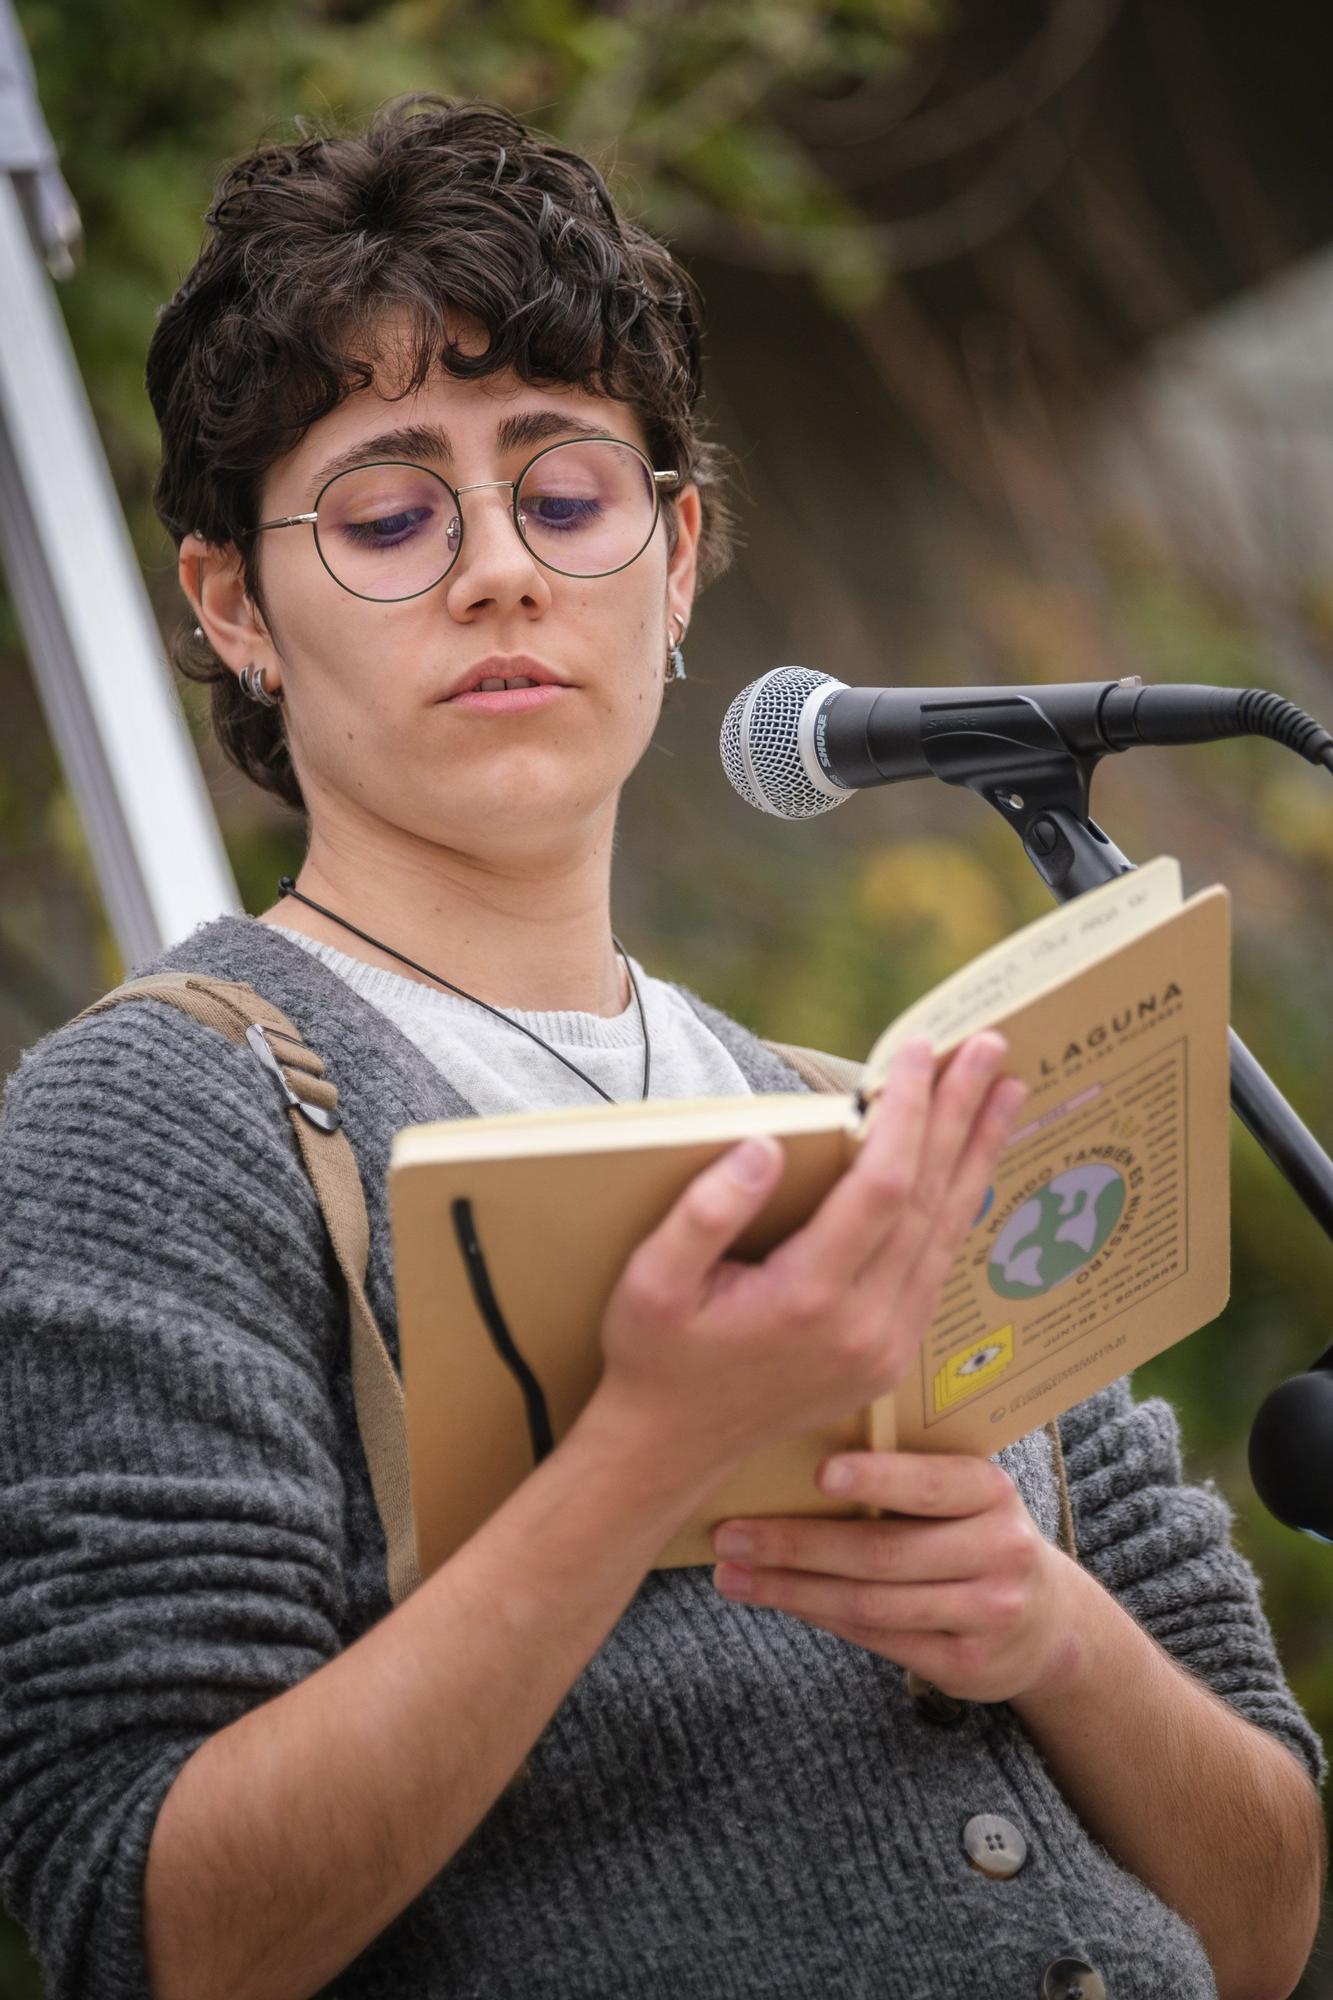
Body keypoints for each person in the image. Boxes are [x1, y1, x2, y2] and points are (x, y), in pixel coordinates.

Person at [0, 94, 1323, 2000]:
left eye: (566, 493)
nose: (498, 571)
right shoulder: (165, 1110)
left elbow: (1269, 1920)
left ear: (679, 556)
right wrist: (639, 1461)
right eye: (386, 512)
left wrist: (1040, 1621)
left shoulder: (887, 1113)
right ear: (234, 608)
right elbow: (156, 1931)